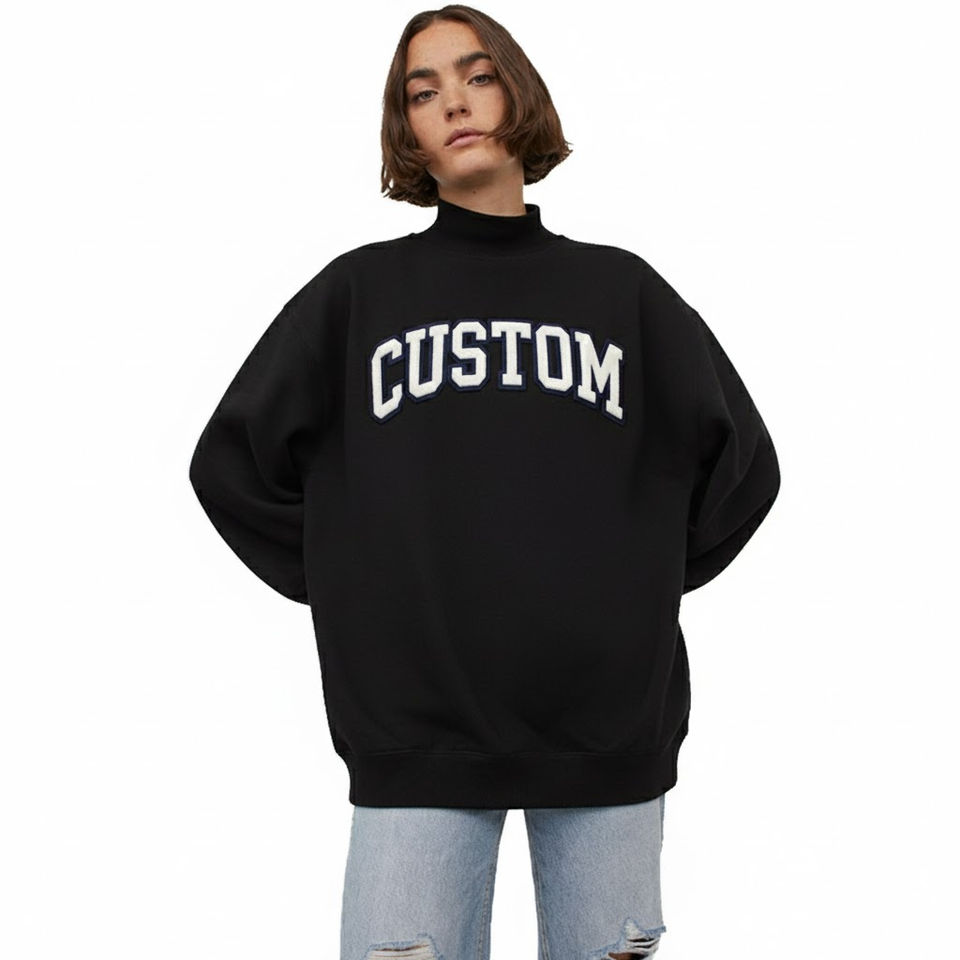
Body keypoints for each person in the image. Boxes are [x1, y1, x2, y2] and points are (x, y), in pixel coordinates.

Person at [188, 5, 781, 958]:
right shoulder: (356, 296)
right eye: (422, 92)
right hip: (416, 733)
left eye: (477, 76)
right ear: (408, 131)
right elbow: (229, 462)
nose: (454, 103)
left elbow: (743, 465)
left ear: (518, 92)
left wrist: (632, 590)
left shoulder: (623, 292)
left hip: (606, 734)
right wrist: (353, 584)